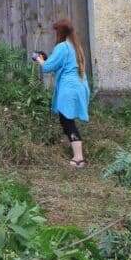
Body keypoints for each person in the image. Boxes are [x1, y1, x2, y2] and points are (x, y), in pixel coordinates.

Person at [34, 18, 90, 167]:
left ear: (60, 33)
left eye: (56, 31)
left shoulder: (62, 47)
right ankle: (71, 146)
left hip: (69, 88)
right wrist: (47, 59)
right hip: (80, 86)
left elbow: (47, 68)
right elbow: (58, 63)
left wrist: (39, 60)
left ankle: (79, 158)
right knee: (66, 119)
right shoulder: (76, 47)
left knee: (67, 121)